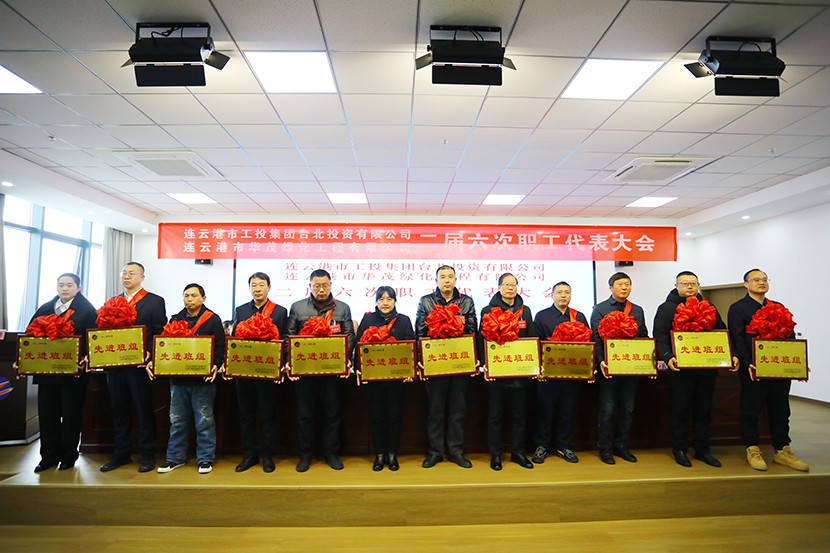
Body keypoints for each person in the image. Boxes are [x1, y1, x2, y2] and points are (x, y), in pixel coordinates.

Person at [727, 269, 809, 472]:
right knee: (750, 409)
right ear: (746, 284)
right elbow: (737, 338)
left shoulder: (778, 306)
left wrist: (798, 363)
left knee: (781, 409)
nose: (761, 282)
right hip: (754, 368)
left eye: (764, 279)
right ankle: (752, 449)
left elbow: (790, 336)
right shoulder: (738, 308)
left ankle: (782, 450)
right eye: (756, 280)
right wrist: (747, 363)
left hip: (778, 367)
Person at [653, 271, 736, 468]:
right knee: (680, 410)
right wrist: (668, 356)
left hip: (706, 369)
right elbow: (660, 335)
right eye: (685, 283)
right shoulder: (667, 308)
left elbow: (721, 332)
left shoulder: (708, 307)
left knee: (704, 410)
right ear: (676, 286)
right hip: (680, 370)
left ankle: (703, 450)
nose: (690, 287)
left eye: (693, 283)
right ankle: (679, 449)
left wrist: (730, 354)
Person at [21, 273, 97, 472]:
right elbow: (30, 335)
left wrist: (87, 356)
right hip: (47, 372)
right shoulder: (46, 308)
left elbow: (94, 338)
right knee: (47, 415)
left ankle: (68, 456)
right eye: (61, 285)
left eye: (69, 285)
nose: (64, 289)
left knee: (71, 414)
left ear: (78, 288)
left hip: (73, 373)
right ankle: (48, 457)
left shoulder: (87, 309)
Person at [286, 269, 356, 472]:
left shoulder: (343, 308)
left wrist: (344, 360)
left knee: (332, 414)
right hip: (305, 373)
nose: (321, 289)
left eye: (325, 285)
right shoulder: (298, 307)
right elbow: (289, 337)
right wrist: (291, 361)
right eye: (317, 286)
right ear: (310, 287)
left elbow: (349, 336)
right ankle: (305, 455)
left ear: (331, 285)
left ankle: (331, 453)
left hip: (332, 372)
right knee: (304, 416)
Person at [100, 262, 167, 473]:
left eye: (131, 273)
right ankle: (121, 453)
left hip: (139, 366)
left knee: (144, 409)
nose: (126, 277)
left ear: (142, 277)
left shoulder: (154, 301)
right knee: (119, 410)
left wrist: (150, 353)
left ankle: (147, 454)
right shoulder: (113, 301)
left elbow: (159, 332)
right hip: (116, 365)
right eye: (124, 273)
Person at [152, 283, 225, 474]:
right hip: (178, 381)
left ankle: (205, 459)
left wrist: (215, 364)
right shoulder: (175, 319)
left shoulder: (212, 320)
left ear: (203, 298)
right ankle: (175, 458)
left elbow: (220, 346)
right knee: (177, 421)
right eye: (186, 296)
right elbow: (165, 345)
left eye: (194, 295)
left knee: (204, 421)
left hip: (202, 381)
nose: (189, 299)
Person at [415, 265, 478, 469]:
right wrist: (421, 359)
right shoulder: (426, 301)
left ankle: (456, 451)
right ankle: (435, 452)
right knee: (436, 410)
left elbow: (472, 331)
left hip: (459, 363)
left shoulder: (466, 301)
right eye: (442, 277)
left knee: (457, 410)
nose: (447, 280)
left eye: (450, 276)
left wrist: (474, 358)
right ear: (436, 281)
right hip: (436, 363)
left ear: (456, 280)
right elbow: (421, 332)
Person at [230, 272, 288, 473]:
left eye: (261, 285)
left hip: (268, 372)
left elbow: (284, 340)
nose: (257, 289)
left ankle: (267, 455)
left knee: (268, 415)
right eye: (253, 285)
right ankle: (249, 455)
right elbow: (235, 339)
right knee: (246, 415)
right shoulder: (241, 310)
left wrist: (282, 364)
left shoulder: (280, 311)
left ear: (269, 287)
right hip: (245, 372)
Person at [478, 273, 535, 471]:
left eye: (513, 285)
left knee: (519, 415)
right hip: (497, 373)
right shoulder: (488, 310)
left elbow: (531, 338)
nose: (510, 288)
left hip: (519, 372)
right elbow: (482, 339)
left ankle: (518, 453)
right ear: (499, 287)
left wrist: (534, 364)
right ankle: (496, 454)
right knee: (495, 416)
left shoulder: (525, 311)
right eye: (506, 285)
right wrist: (485, 363)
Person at [591, 272, 649, 465]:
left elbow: (643, 336)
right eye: (620, 284)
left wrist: (649, 363)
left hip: (631, 368)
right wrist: (601, 361)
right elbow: (596, 338)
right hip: (609, 368)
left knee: (628, 409)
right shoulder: (600, 309)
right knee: (607, 409)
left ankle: (622, 445)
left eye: (627, 284)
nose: (624, 288)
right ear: (610, 287)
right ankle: (605, 448)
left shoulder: (637, 310)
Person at [355, 286, 415, 471]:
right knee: (377, 417)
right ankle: (379, 454)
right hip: (374, 380)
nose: (385, 303)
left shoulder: (404, 320)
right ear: (376, 301)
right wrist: (359, 370)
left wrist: (410, 371)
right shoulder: (368, 320)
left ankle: (392, 453)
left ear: (395, 301)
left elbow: (411, 346)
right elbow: (359, 346)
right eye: (381, 299)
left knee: (395, 417)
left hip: (397, 381)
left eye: (389, 299)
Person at [531, 281, 591, 465]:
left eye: (567, 292)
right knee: (545, 411)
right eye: (560, 292)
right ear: (552, 295)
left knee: (567, 411)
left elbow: (587, 344)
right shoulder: (542, 316)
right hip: (548, 374)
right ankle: (542, 446)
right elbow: (535, 343)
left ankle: (563, 446)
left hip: (571, 374)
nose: (563, 295)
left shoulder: (578, 316)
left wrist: (589, 368)